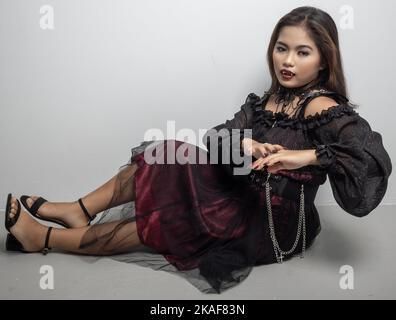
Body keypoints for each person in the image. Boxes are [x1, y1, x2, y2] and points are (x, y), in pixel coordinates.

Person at [4, 6, 392, 294]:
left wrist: (302, 156)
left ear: (324, 60)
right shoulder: (268, 100)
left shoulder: (320, 106)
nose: (287, 61)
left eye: (302, 52)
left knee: (166, 222)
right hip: (241, 196)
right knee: (168, 152)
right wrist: (245, 142)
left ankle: (46, 240)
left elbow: (371, 159)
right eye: (281, 48)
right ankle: (80, 210)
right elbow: (216, 138)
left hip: (272, 225)